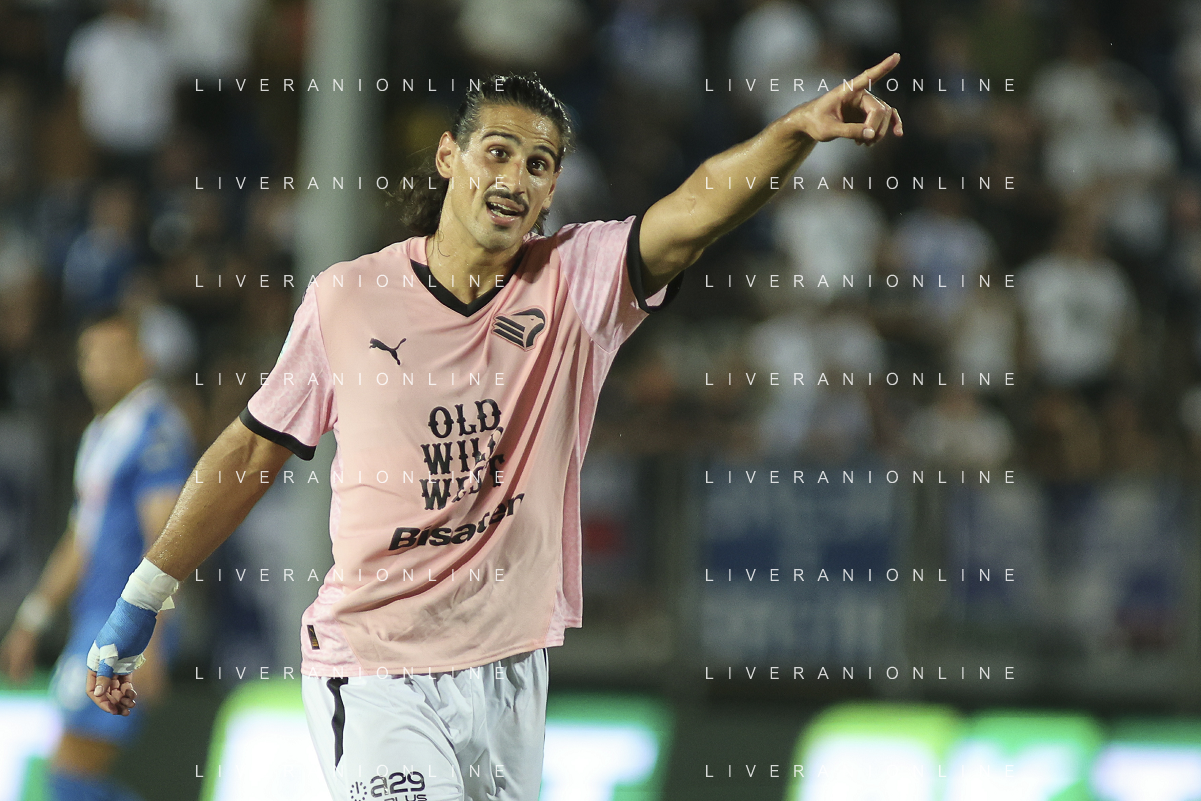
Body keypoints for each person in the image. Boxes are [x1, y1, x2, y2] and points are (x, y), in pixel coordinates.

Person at [82, 63, 903, 799]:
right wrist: (143, 598)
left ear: (551, 192)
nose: (515, 177)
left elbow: (696, 207)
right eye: (498, 153)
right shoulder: (348, 298)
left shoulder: (575, 283)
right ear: (451, 158)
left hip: (510, 671)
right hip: (375, 665)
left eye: (538, 164)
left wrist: (796, 132)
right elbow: (253, 447)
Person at [0, 312, 193, 801]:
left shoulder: (156, 430)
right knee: (69, 778)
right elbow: (80, 538)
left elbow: (167, 538)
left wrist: (150, 637)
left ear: (142, 359)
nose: (99, 367)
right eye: (90, 356)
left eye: (114, 354)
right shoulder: (101, 434)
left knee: (70, 777)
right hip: (94, 623)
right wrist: (33, 618)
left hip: (122, 627)